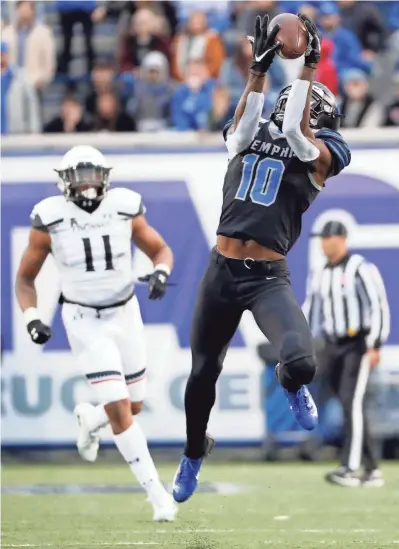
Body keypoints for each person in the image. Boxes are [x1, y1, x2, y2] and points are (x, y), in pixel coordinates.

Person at [172, 13, 351, 503]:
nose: (301, 108)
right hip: (221, 269)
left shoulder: (327, 149)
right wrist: (257, 69)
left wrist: (310, 65)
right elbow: (242, 129)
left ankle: (289, 383)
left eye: (310, 104)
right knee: (203, 372)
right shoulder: (253, 130)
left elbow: (296, 132)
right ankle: (193, 453)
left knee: (301, 361)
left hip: (268, 277)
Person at [15, 145, 178, 522]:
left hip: (125, 312)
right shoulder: (49, 217)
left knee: (134, 404)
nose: (88, 184)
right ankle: (158, 496)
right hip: (83, 318)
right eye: (80, 175)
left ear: (105, 176)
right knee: (121, 407)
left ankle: (91, 420)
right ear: (64, 180)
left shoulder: (124, 205)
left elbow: (160, 249)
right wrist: (33, 318)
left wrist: (161, 273)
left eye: (93, 174)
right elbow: (25, 278)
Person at [304, 221, 390, 487]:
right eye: (321, 238)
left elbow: (378, 307)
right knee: (348, 405)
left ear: (342, 239)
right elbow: (313, 310)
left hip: (357, 343)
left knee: (351, 401)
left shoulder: (361, 268)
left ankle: (349, 468)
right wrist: (306, 341)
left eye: (328, 237)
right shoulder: (320, 273)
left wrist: (375, 343)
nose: (323, 243)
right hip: (331, 344)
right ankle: (372, 468)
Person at [1, 0, 56, 92]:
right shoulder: (7, 33)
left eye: (27, 8)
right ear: (17, 10)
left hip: (34, 83)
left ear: (33, 10)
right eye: (21, 8)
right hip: (11, 84)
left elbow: (49, 61)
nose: (24, 11)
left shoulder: (44, 33)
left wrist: (42, 80)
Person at [171, 11, 225, 81]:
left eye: (199, 21)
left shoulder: (213, 40)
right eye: (193, 21)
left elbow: (216, 64)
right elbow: (175, 66)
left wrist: (202, 78)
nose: (196, 24)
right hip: (182, 80)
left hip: (205, 81)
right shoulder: (180, 40)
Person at [0, 41, 41, 135]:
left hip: (16, 130)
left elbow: (31, 102)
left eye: (3, 54)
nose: (1, 57)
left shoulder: (20, 75)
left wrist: (34, 128)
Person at [117, 8, 170, 73]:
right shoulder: (128, 42)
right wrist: (133, 70)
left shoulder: (161, 42)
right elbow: (124, 62)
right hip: (134, 75)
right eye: (138, 23)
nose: (141, 26)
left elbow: (165, 61)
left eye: (144, 23)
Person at [171, 60, 216, 131]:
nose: (194, 77)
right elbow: (178, 117)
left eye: (197, 73)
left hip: (211, 133)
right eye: (191, 74)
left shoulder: (212, 89)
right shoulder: (179, 93)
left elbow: (216, 113)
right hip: (188, 136)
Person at [57, 0, 97, 75]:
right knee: (67, 44)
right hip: (67, 7)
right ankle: (65, 73)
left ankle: (92, 73)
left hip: (85, 7)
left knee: (88, 44)